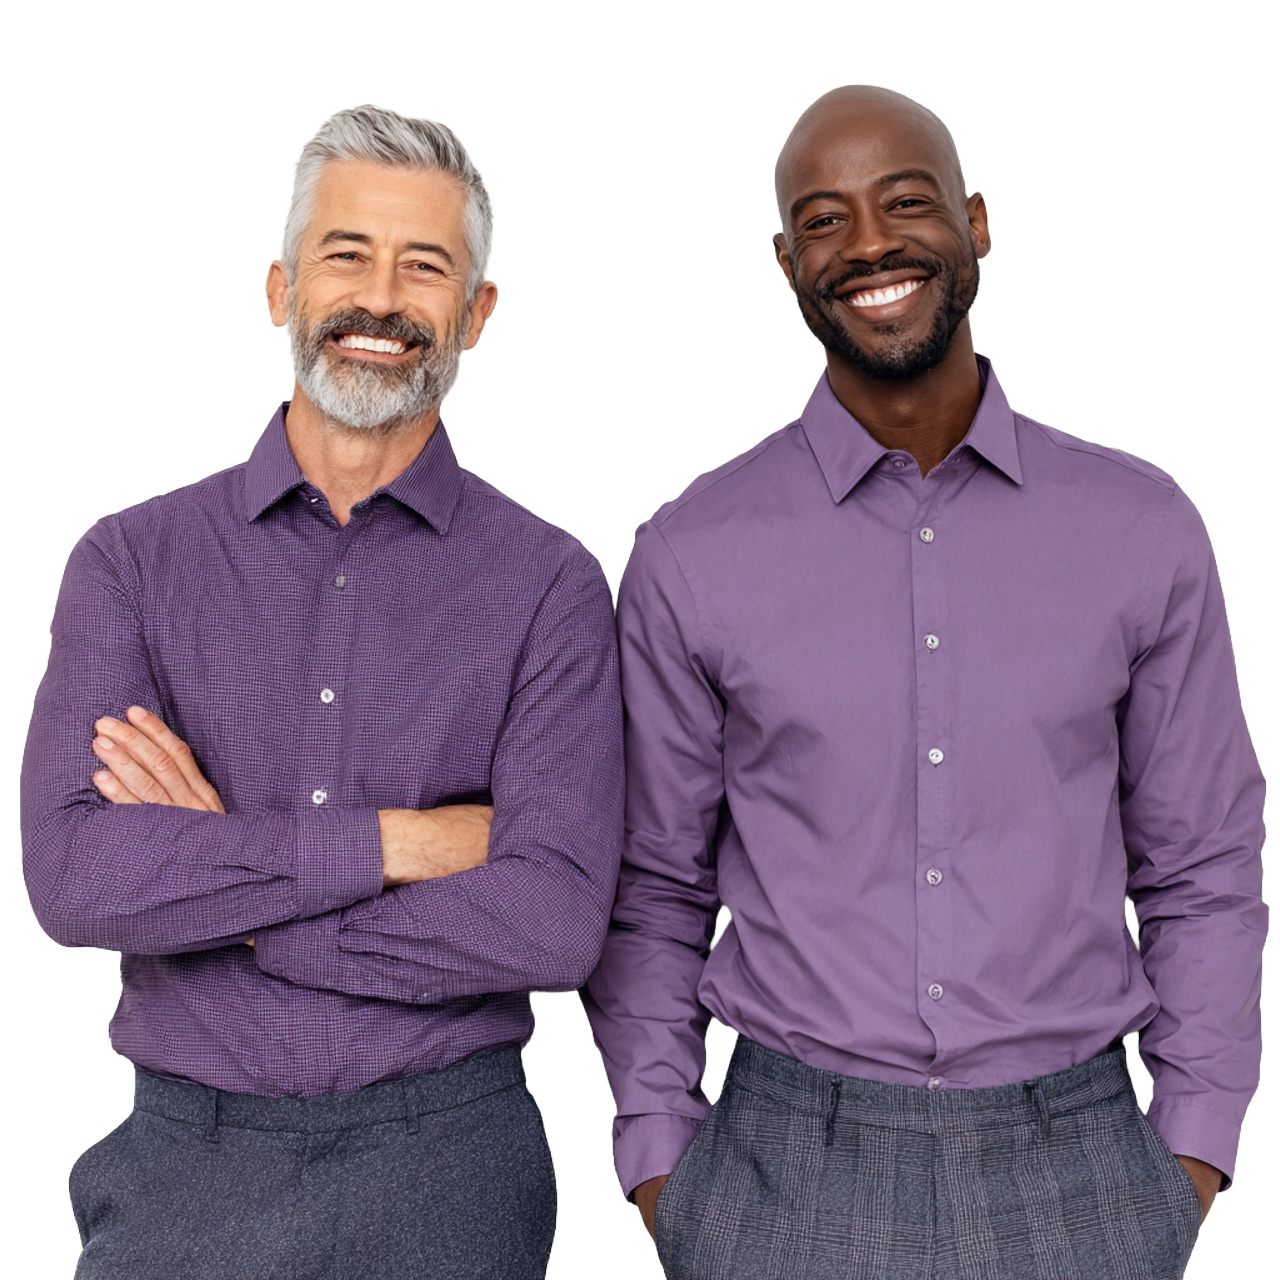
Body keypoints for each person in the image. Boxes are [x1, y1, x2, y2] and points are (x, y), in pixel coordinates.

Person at [579, 84, 1267, 1280]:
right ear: (787, 263)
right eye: (825, 220)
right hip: (776, 1170)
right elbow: (650, 888)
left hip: (1083, 1168)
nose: (870, 245)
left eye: (904, 202)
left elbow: (1204, 864)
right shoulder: (692, 551)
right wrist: (658, 1160)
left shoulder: (1138, 529)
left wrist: (1192, 1153)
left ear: (978, 223)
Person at [21, 103, 623, 1280]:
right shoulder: (128, 561)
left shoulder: (551, 585)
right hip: (186, 1163)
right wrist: (403, 842)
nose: (381, 299)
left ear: (476, 315)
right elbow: (75, 876)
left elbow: (552, 917)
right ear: (281, 291)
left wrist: (230, 890)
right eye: (346, 254)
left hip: (449, 1165)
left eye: (425, 265)